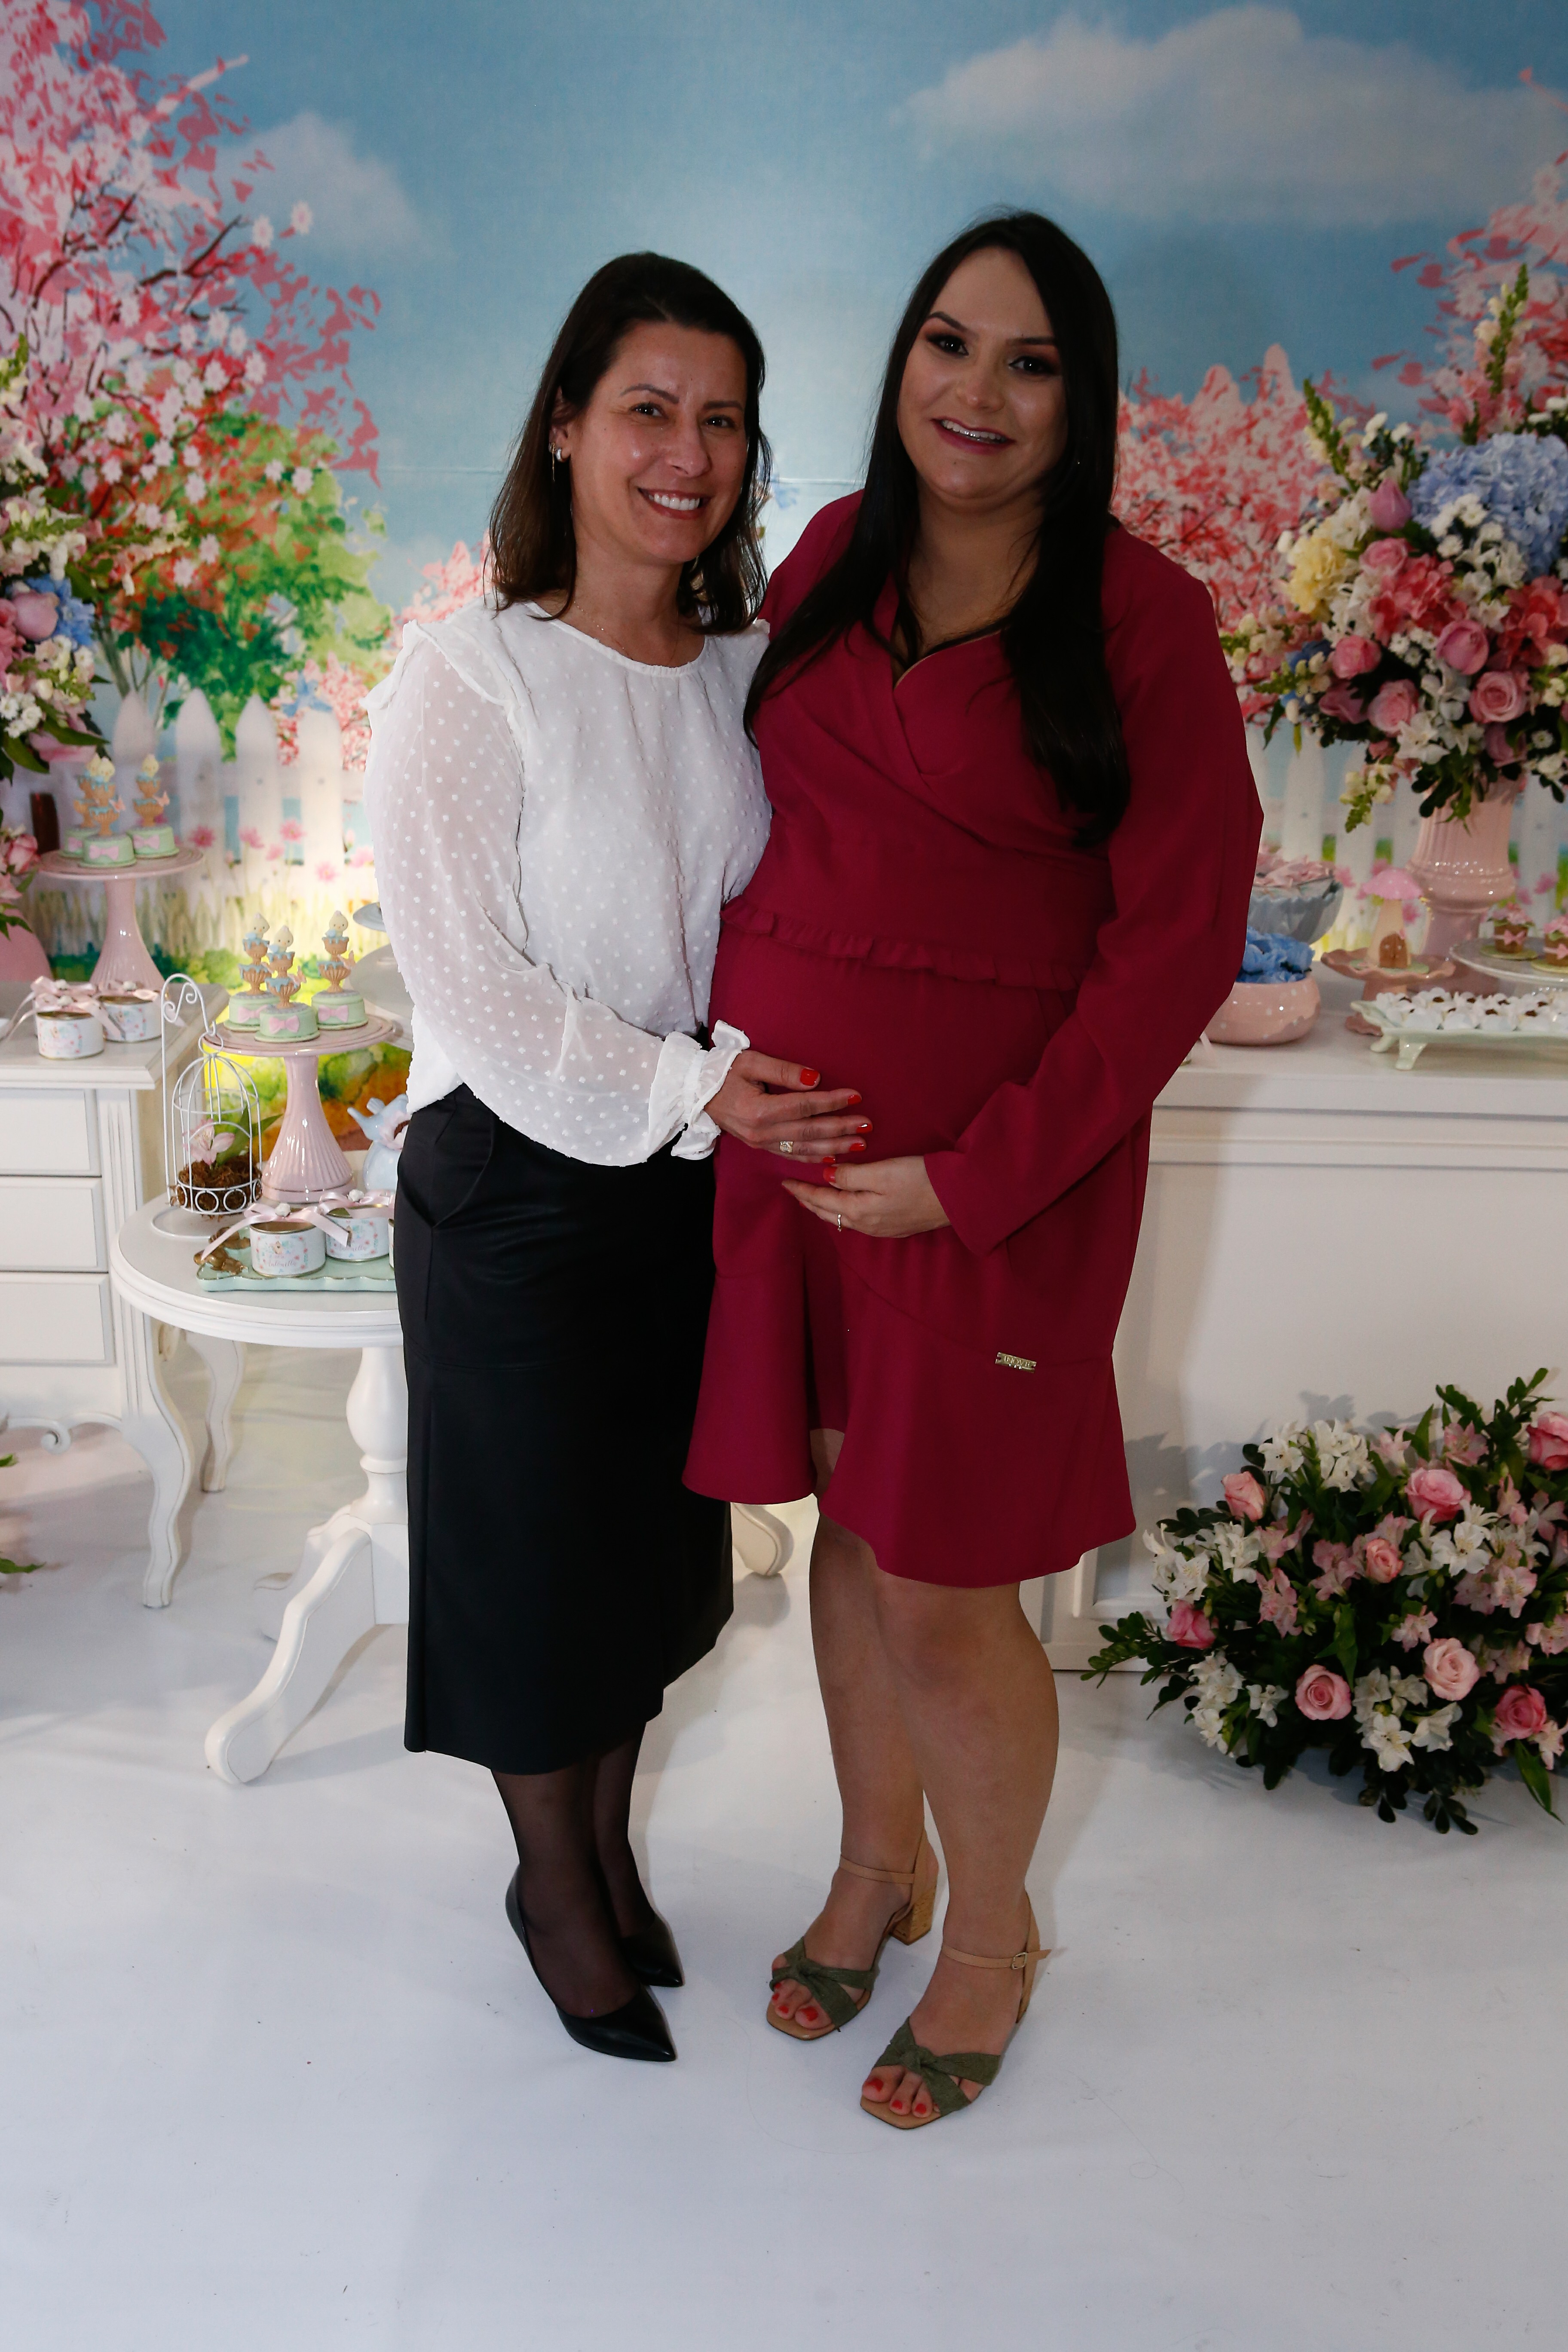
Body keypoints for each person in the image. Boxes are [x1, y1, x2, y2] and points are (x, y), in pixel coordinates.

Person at [686, 212, 1260, 2125]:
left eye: (1031, 362)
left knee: (944, 1584)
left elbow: (1174, 950)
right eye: (950, 342)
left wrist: (975, 1176)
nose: (980, 392)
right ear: (903, 359)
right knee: (849, 1540)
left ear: (1084, 400)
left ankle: (992, 1937)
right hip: (792, 1172)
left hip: (993, 1191)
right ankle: (878, 1864)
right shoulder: (836, 552)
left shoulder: (1146, 620)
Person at [364, 254, 862, 2064]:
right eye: (647, 409)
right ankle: (552, 1887)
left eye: (722, 420)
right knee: (534, 1571)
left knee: (645, 1561)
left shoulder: (745, 674)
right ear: (566, 425)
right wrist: (699, 1088)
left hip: (683, 1185)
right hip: (512, 1184)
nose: (687, 453)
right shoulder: (469, 675)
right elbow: (470, 986)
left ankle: (607, 1845)